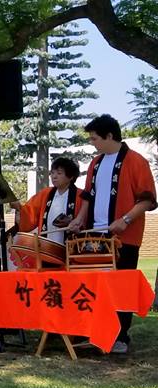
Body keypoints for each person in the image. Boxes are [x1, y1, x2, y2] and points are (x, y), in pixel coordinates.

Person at [67, 114, 157, 354]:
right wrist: (79, 219)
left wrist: (125, 219)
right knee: (92, 286)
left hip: (124, 237)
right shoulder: (95, 163)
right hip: (95, 236)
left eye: (94, 138)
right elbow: (87, 196)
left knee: (121, 288)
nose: (92, 143)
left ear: (109, 136)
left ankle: (120, 337)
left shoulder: (136, 161)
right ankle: (93, 333)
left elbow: (148, 199)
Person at [10, 157, 84, 245]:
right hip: (47, 247)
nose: (54, 176)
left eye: (59, 173)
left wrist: (74, 225)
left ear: (71, 176)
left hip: (72, 247)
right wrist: (19, 209)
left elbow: (86, 222)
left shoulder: (81, 196)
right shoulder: (45, 193)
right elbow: (30, 212)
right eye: (52, 173)